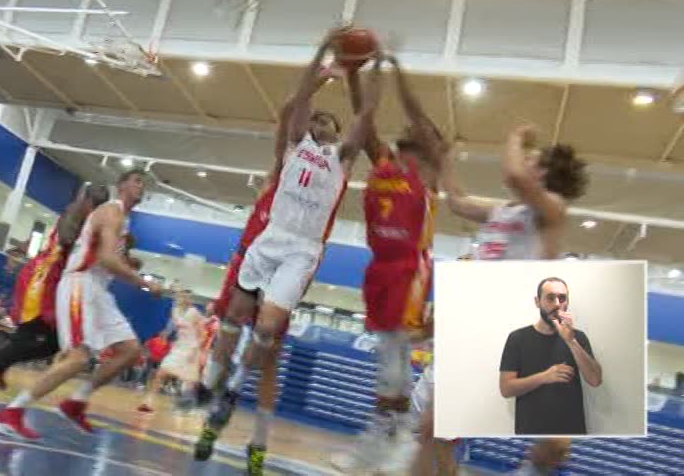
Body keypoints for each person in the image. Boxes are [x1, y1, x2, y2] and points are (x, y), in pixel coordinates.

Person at [195, 25, 382, 474]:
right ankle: (212, 402)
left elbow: (364, 119)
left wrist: (360, 72)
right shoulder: (291, 150)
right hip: (265, 243)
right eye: (316, 120)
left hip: (301, 251)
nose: (320, 124)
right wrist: (321, 57)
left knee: (269, 346)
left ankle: (249, 428)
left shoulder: (340, 160)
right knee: (230, 330)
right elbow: (294, 105)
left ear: (338, 136)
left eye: (328, 123)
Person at [410, 124, 588, 475]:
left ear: (544, 174)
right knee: (434, 431)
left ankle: (539, 462)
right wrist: (445, 160)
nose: (524, 162)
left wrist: (516, 135)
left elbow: (514, 176)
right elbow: (458, 201)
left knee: (554, 441)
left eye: (531, 160)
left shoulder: (551, 210)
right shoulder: (505, 210)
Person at [334, 52, 446, 473]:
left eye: (420, 132)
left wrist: (398, 73)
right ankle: (390, 438)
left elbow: (417, 116)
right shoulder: (384, 163)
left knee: (394, 353)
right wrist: (360, 75)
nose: (413, 130)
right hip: (379, 265)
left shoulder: (429, 173)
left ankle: (389, 439)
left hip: (409, 267)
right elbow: (363, 118)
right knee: (388, 352)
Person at [0, 169, 159, 439]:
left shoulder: (123, 221)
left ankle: (76, 402)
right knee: (79, 358)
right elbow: (106, 259)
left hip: (99, 289)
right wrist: (145, 282)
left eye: (144, 184)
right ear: (121, 185)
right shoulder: (111, 211)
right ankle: (11, 413)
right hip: (81, 284)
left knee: (130, 351)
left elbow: (108, 262)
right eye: (137, 181)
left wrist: (128, 266)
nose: (142, 187)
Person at [0, 184, 111, 416]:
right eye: (96, 205)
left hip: (56, 285)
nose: (98, 210)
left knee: (55, 343)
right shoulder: (74, 215)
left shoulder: (90, 222)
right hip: (41, 283)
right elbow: (69, 244)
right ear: (86, 201)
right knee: (27, 340)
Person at [500, 277, 602, 435]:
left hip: (572, 432)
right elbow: (506, 389)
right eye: (550, 298)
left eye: (562, 298)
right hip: (530, 433)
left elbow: (595, 380)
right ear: (537, 302)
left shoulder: (578, 337)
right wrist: (545, 377)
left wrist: (571, 341)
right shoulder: (517, 338)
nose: (557, 304)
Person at [138, 289, 206, 413]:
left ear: (189, 299)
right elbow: (172, 329)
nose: (182, 298)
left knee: (189, 380)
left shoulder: (194, 312)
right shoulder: (174, 311)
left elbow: (203, 334)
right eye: (180, 296)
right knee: (160, 373)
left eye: (186, 296)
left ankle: (191, 405)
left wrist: (195, 350)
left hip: (191, 348)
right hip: (178, 347)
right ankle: (148, 402)